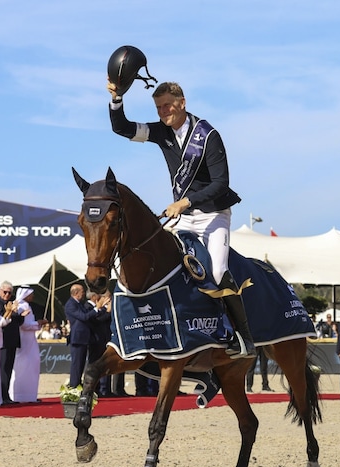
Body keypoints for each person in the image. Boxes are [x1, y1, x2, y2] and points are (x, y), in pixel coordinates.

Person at [107, 80, 255, 358]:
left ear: (182, 103)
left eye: (168, 106)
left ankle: (243, 337)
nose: (164, 112)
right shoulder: (161, 132)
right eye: (159, 107)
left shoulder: (208, 136)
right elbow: (122, 128)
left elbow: (221, 184)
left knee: (219, 271)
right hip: (184, 216)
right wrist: (116, 98)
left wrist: (185, 201)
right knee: (168, 265)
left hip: (213, 215)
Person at [65, 283, 109, 388]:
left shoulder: (79, 304)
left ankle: (77, 385)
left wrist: (100, 309)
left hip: (84, 338)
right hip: (77, 338)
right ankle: (74, 386)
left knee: (81, 365)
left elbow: (90, 317)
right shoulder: (71, 304)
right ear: (76, 293)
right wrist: (97, 308)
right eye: (82, 292)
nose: (84, 294)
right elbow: (84, 317)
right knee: (77, 365)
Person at [9, 286, 46, 403]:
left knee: (32, 365)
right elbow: (24, 325)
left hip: (30, 340)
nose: (33, 296)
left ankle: (29, 395)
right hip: (24, 340)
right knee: (23, 366)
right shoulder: (20, 306)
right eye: (31, 294)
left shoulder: (26, 305)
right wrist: (38, 323)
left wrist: (37, 324)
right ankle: (21, 395)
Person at [0, 280, 24, 404]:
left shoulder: (10, 303)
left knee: (8, 368)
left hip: (12, 339)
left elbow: (20, 320)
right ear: (0, 291)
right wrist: (14, 313)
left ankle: (5, 395)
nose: (7, 295)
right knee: (3, 368)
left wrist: (15, 313)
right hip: (3, 340)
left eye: (9, 293)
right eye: (5, 292)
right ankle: (3, 395)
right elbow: (2, 317)